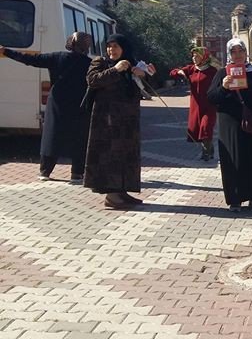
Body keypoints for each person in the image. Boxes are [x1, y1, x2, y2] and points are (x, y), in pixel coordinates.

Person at [0, 32, 93, 183]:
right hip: (80, 104)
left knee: (52, 135)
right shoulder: (89, 63)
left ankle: (45, 171)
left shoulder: (57, 57)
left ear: (70, 43)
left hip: (57, 103)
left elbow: (29, 59)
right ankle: (77, 173)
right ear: (86, 46)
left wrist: (6, 51)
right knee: (79, 137)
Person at [207, 38, 252, 213]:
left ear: (246, 52)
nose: (238, 55)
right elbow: (211, 98)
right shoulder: (223, 72)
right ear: (229, 54)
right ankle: (235, 199)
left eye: (241, 51)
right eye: (234, 51)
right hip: (230, 124)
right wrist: (223, 88)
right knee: (233, 159)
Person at [83, 34, 146, 209]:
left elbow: (142, 88)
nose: (112, 50)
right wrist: (115, 70)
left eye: (116, 46)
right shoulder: (100, 62)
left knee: (126, 155)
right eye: (109, 46)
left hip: (127, 122)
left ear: (124, 48)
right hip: (107, 121)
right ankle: (112, 195)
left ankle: (121, 191)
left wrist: (144, 74)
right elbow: (92, 80)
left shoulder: (131, 64)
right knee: (110, 155)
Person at [170, 46, 218, 160]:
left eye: (197, 56)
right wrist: (179, 72)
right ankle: (210, 149)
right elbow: (172, 72)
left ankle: (206, 152)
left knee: (205, 127)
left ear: (204, 57)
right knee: (197, 128)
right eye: (193, 56)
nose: (194, 58)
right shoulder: (191, 69)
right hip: (196, 106)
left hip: (210, 105)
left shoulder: (212, 71)